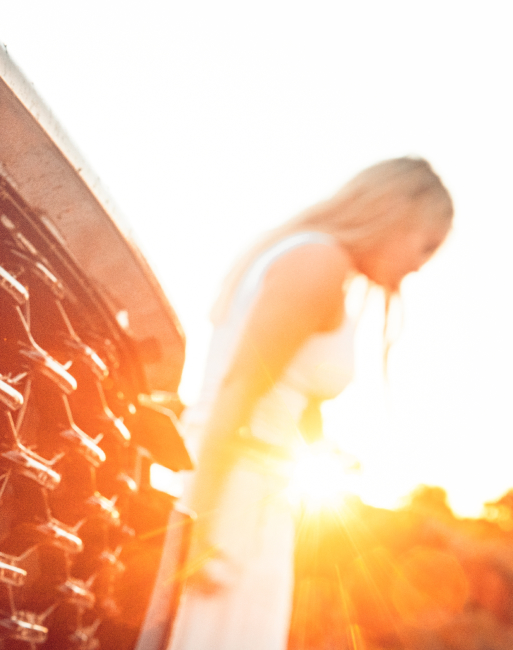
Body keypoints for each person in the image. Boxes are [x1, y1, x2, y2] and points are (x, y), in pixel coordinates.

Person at [163, 157, 453, 650]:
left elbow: (282, 396)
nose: (420, 264)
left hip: (253, 492)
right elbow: (239, 389)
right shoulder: (319, 262)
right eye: (425, 245)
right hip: (234, 496)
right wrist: (204, 525)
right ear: (395, 215)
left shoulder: (317, 262)